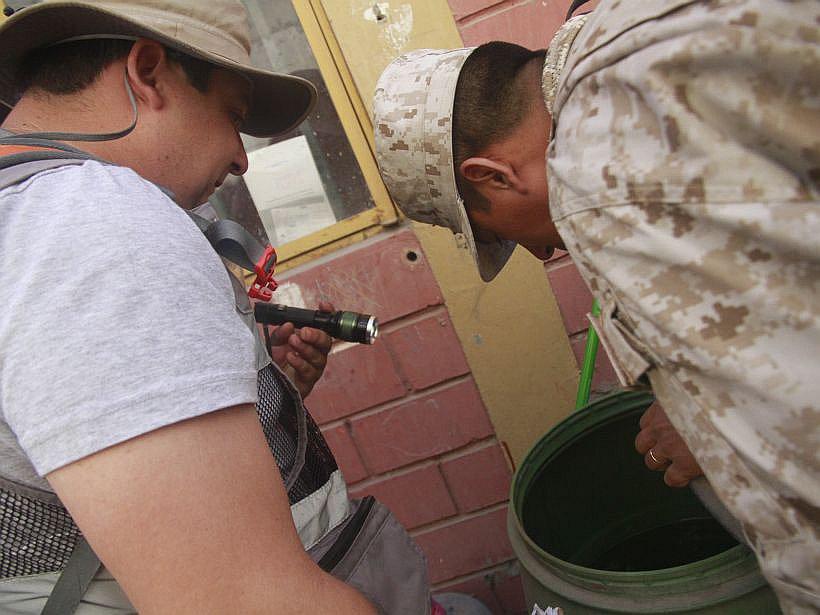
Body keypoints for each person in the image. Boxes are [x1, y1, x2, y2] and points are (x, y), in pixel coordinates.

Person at [372, 0, 820, 612]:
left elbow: (799, 469)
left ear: (492, 176)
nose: (543, 252)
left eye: (499, 235)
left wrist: (716, 439)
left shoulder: (592, 180)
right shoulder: (625, 29)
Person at [0, 1, 432, 613]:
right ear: (148, 74)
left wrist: (264, 395)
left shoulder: (28, 217)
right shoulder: (93, 226)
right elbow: (247, 603)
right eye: (232, 115)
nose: (241, 156)